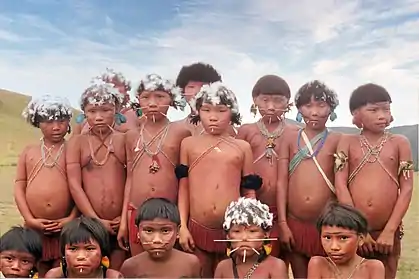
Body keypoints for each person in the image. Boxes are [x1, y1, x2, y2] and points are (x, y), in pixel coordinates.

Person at [177, 82, 262, 277]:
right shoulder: (188, 144)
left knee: (231, 273)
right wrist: (182, 226)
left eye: (221, 110)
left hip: (232, 230)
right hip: (197, 227)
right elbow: (184, 188)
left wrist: (249, 230)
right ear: (197, 111)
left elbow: (249, 192)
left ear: (232, 112)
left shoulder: (242, 147)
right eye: (206, 110)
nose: (213, 117)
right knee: (200, 273)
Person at [334, 83, 414, 279]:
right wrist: (358, 229)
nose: (382, 115)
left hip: (387, 231)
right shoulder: (347, 142)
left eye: (386, 109)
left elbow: (407, 188)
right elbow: (340, 184)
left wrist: (389, 230)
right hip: (353, 230)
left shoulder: (400, 143)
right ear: (356, 114)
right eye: (373, 110)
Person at [117, 74, 190, 256]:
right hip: (136, 210)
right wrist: (124, 222)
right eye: (146, 97)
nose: (152, 103)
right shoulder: (131, 136)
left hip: (169, 213)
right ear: (138, 100)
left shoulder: (181, 133)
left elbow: (184, 181)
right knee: (139, 265)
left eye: (160, 96)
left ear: (171, 99)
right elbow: (130, 179)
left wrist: (182, 221)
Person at [276, 80, 341, 278]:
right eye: (308, 105)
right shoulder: (288, 137)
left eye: (321, 105)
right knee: (300, 274)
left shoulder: (339, 140)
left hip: (327, 226)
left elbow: (343, 184)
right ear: (299, 109)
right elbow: (282, 182)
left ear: (331, 109)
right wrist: (283, 223)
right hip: (295, 224)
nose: (314, 112)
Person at [66, 82, 128, 270]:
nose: (99, 117)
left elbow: (132, 179)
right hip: (88, 222)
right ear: (84, 112)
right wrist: (95, 220)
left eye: (105, 110)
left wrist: (124, 219)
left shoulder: (125, 139)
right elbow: (74, 184)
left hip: (120, 223)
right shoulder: (77, 143)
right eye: (92, 111)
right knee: (88, 269)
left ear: (116, 109)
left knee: (117, 270)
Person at [15, 95, 78, 276]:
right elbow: (20, 186)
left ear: (68, 122)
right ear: (37, 122)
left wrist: (71, 218)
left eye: (61, 121)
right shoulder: (30, 151)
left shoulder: (74, 150)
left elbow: (81, 187)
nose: (56, 127)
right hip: (35, 227)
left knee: (64, 269)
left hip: (66, 228)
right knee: (39, 268)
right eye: (48, 122)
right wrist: (30, 219)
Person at [236, 75, 296, 258]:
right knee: (253, 261)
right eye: (265, 100)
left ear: (288, 103)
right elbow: (236, 167)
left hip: (287, 209)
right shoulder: (246, 131)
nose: (271, 106)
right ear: (255, 100)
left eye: (278, 101)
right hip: (252, 206)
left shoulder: (294, 133)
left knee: (280, 259)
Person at [120, 198, 201, 278]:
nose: (157, 240)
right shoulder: (130, 267)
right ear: (138, 232)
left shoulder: (191, 264)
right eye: (149, 231)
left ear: (178, 232)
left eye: (165, 231)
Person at [214, 197, 288, 279]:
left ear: (266, 234)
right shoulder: (222, 268)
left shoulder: (276, 267)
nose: (244, 238)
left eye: (252, 231)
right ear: (228, 236)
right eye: (237, 231)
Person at [307, 203, 385, 279]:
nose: (334, 247)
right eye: (327, 237)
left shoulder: (372, 268)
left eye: (343, 238)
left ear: (360, 239)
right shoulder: (318, 264)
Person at [45, 216, 123, 278]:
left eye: (90, 249)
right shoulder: (53, 277)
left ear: (102, 251)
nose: (81, 256)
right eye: (73, 249)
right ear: (63, 252)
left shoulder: (113, 277)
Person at [175, 62, 236, 136]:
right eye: (191, 87)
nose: (197, 91)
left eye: (203, 86)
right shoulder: (174, 128)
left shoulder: (225, 128)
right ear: (182, 91)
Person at [73, 68, 137, 134]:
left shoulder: (135, 114)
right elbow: (74, 141)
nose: (109, 88)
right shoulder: (84, 121)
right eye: (106, 84)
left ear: (126, 88)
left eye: (114, 84)